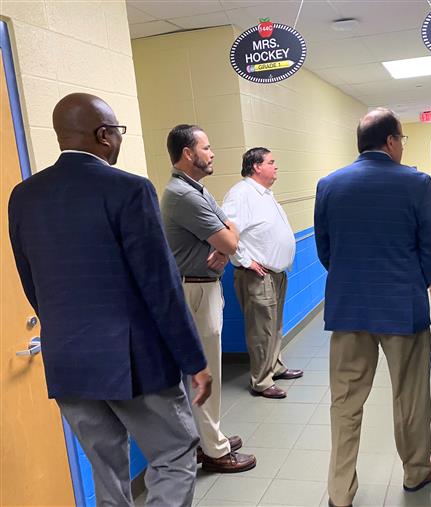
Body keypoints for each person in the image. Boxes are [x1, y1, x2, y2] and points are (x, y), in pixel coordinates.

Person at [8, 93, 212, 507]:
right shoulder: (130, 189)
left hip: (67, 361)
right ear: (103, 135)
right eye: (117, 132)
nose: (118, 140)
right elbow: (161, 286)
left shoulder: (24, 195)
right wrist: (195, 360)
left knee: (107, 471)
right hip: (133, 361)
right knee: (174, 454)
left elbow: (32, 284)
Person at [314, 108, 431, 507]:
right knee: (410, 397)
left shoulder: (329, 185)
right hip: (401, 309)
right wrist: (413, 280)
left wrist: (351, 278)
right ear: (390, 141)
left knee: (345, 403)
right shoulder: (416, 183)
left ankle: (340, 492)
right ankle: (416, 472)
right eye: (402, 139)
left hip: (348, 308)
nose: (402, 146)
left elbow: (325, 249)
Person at [160, 124, 256, 473]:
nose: (212, 153)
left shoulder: (195, 189)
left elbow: (232, 228)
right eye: (207, 146)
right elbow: (231, 239)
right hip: (196, 289)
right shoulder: (182, 194)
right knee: (205, 374)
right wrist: (226, 246)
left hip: (205, 286)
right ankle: (213, 450)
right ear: (188, 153)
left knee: (208, 371)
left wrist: (226, 246)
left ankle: (210, 438)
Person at [222, 147, 303, 399]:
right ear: (256, 166)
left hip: (275, 273)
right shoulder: (241, 193)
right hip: (258, 275)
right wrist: (245, 261)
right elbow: (228, 231)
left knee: (273, 325)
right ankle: (261, 381)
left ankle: (274, 368)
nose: (275, 166)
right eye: (271, 162)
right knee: (260, 330)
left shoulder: (265, 194)